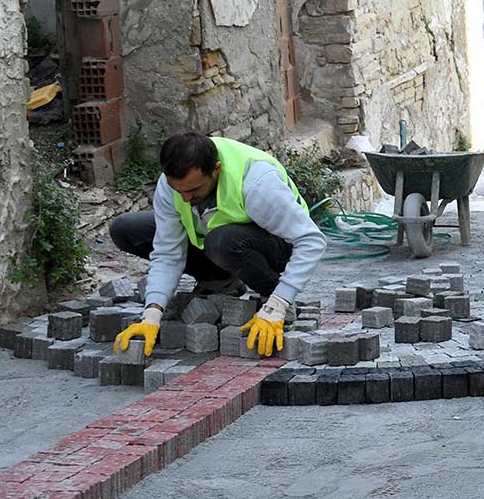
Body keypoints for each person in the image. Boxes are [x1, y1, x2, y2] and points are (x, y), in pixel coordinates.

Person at [108, 133, 326, 357]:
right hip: (217, 242)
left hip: (276, 246)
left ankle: (272, 298)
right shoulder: (171, 186)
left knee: (222, 241)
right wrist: (152, 314)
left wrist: (279, 304)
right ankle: (220, 280)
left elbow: (311, 240)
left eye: (193, 191)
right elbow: (167, 253)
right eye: (179, 191)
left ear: (216, 169)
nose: (184, 198)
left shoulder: (256, 182)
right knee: (127, 229)